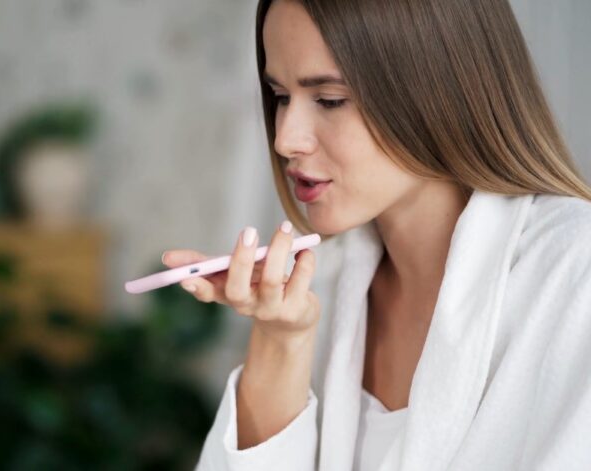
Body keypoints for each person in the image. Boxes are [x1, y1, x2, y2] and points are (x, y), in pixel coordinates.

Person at [161, 0, 591, 469]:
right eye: (280, 96)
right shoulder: (320, 286)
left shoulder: (575, 276)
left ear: (441, 90)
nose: (286, 138)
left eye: (329, 99)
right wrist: (280, 340)